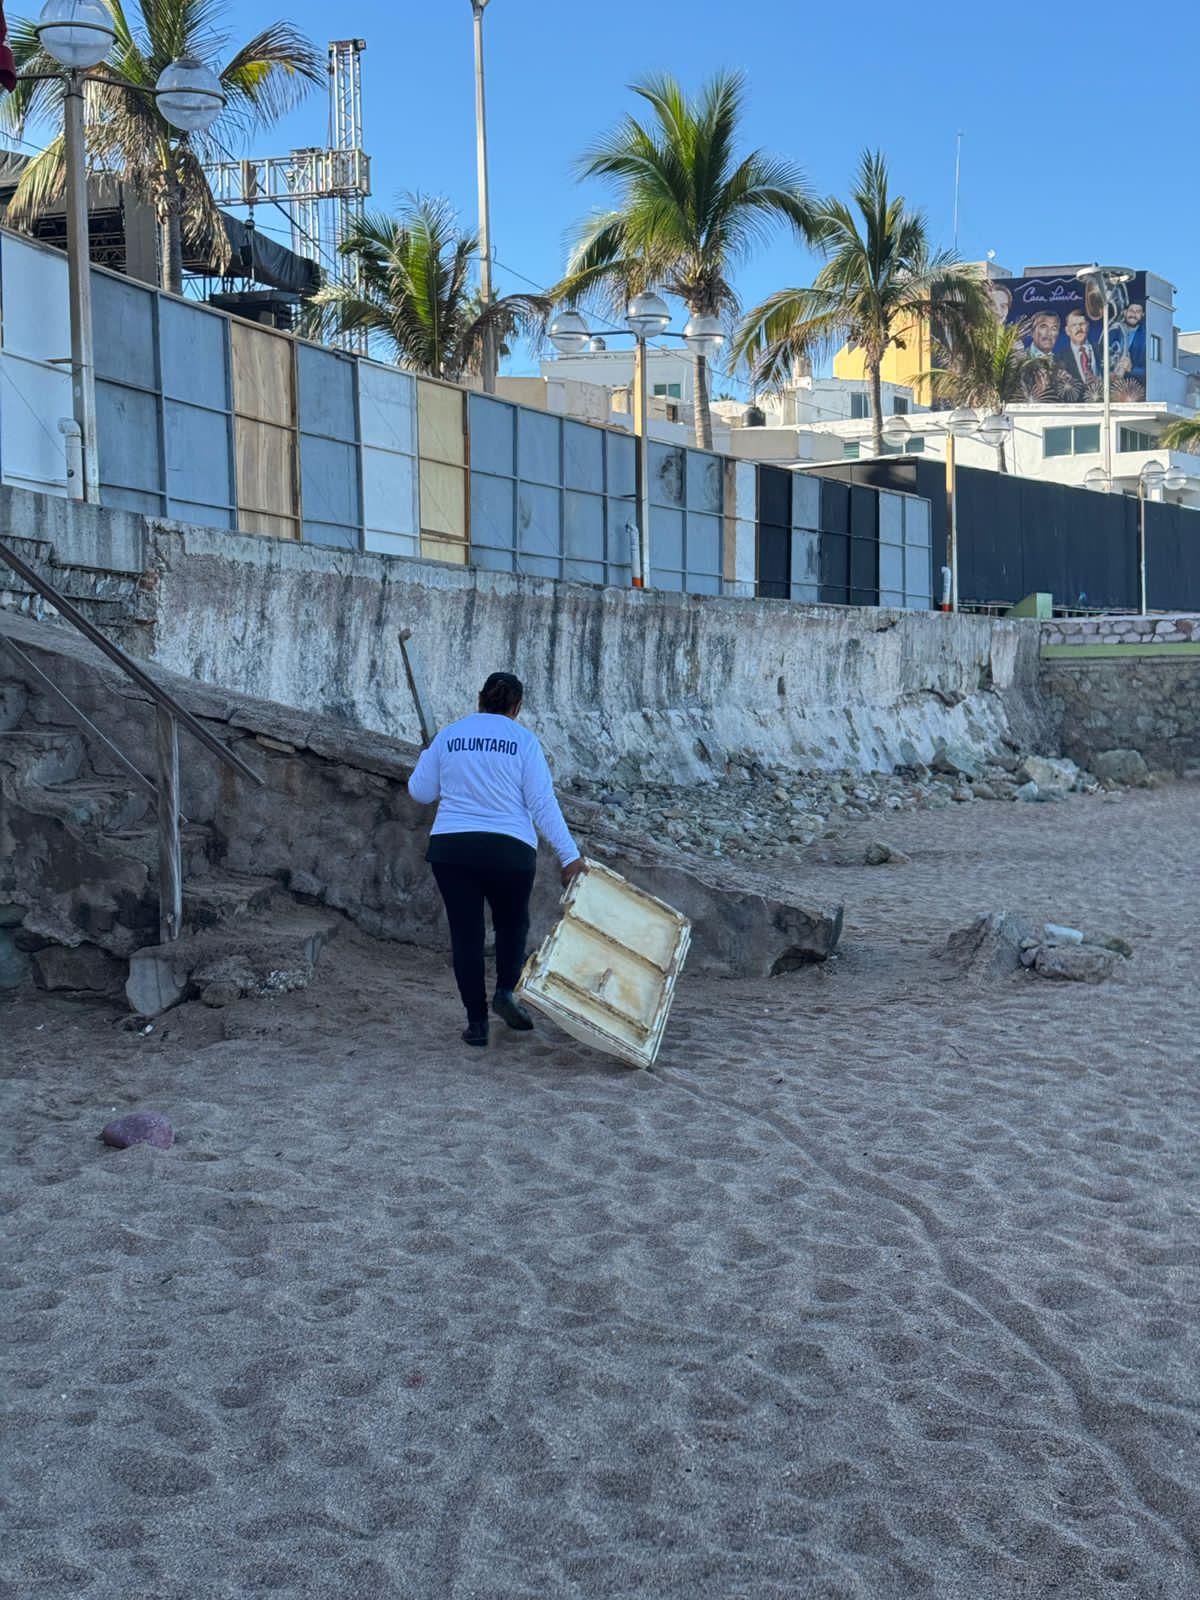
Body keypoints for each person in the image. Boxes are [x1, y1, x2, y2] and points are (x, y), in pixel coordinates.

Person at [407, 671, 585, 1048]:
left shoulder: (449, 736)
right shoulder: (524, 741)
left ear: (479, 699)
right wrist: (570, 856)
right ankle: (506, 990)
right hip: (510, 849)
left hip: (452, 848)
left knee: (466, 936)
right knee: (511, 924)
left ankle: (476, 1024)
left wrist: (429, 755)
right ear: (517, 708)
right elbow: (541, 803)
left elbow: (421, 792)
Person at [1055, 309, 1100, 393]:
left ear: (1088, 326)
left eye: (1082, 324)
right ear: (1067, 331)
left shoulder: (1101, 349)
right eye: (1074, 325)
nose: (1079, 328)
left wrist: (1100, 381)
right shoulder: (1058, 358)